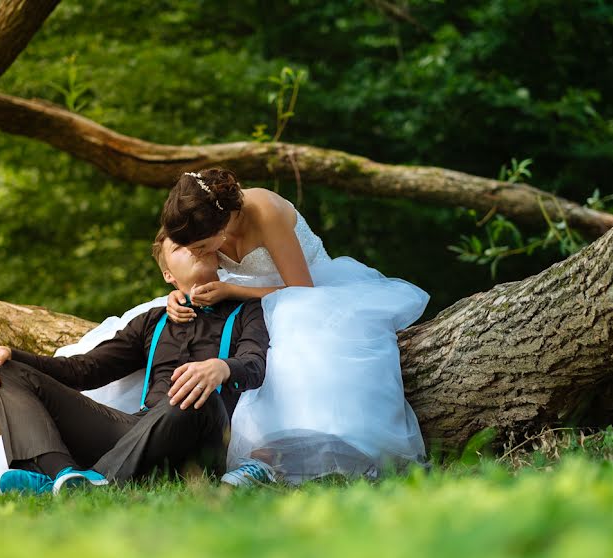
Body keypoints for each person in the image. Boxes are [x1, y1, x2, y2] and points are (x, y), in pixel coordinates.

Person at [160, 168, 431, 485]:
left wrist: (234, 291)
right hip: (247, 301)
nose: (196, 253)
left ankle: (317, 450)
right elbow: (182, 261)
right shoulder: (198, 222)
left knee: (296, 338)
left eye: (201, 247)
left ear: (221, 226)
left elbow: (302, 290)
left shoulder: (264, 211)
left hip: (310, 297)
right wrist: (179, 291)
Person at [0, 232, 269, 494]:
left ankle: (98, 480)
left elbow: (254, 364)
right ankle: (62, 476)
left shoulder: (246, 311)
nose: (193, 248)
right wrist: (11, 354)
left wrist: (222, 367)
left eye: (199, 243)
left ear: (217, 256)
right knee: (3, 370)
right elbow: (83, 370)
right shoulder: (153, 320)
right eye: (180, 247)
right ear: (168, 276)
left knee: (191, 394)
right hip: (135, 429)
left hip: (200, 433)